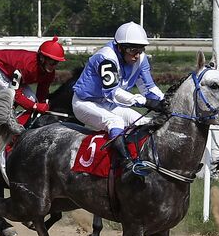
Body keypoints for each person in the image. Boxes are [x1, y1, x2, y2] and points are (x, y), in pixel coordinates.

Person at [71, 22, 166, 174]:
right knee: (116, 121)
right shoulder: (106, 58)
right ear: (120, 48)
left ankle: (144, 159)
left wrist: (166, 102)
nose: (137, 55)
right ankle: (124, 163)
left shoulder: (141, 59)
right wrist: (144, 101)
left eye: (140, 50)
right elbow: (113, 93)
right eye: (132, 50)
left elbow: (149, 88)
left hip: (108, 104)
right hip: (84, 103)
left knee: (143, 121)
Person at [0, 37, 67, 115]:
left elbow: (42, 91)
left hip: (12, 74)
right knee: (11, 97)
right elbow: (16, 94)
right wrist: (35, 106)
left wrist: (42, 105)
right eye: (52, 63)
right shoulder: (26, 66)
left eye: (57, 63)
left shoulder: (49, 72)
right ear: (42, 58)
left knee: (33, 101)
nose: (54, 66)